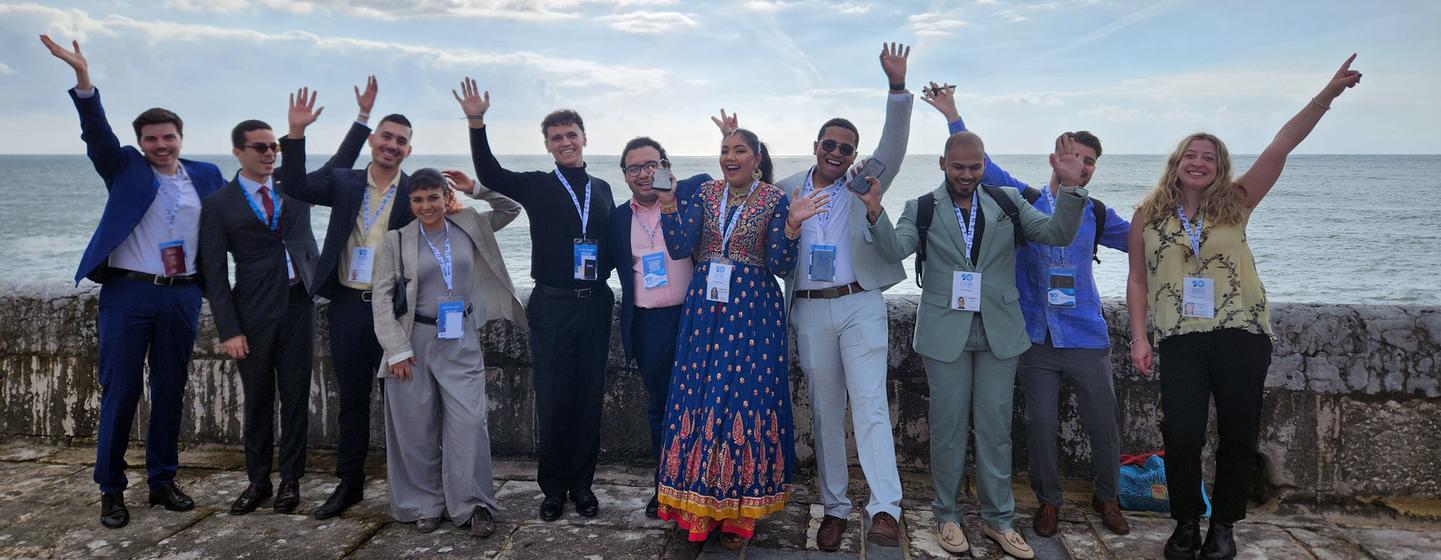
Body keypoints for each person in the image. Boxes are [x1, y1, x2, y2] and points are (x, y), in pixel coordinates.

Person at [1128, 55, 1362, 560]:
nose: (1199, 161)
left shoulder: (1237, 201)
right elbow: (1138, 280)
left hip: (1241, 334)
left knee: (1238, 434)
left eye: (1209, 157)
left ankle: (1224, 527)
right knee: (1183, 434)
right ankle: (1186, 522)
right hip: (1180, 339)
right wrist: (1139, 337)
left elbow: (1282, 143)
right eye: (1191, 154)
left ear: (1219, 167)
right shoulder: (1148, 214)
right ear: (1177, 161)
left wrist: (1327, 95)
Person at [922, 82, 1133, 538]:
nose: (1079, 165)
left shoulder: (1095, 213)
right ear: (1055, 158)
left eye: (1088, 161)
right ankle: (1048, 502)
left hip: (1085, 334)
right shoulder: (1024, 201)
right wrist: (952, 115)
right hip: (1033, 335)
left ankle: (1108, 495)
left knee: (1104, 422)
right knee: (1039, 425)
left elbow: (1144, 242)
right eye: (1072, 156)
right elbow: (981, 166)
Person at [868, 131, 1090, 559]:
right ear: (942, 164)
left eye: (974, 166)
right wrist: (875, 209)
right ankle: (946, 515)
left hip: (999, 330)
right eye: (958, 167)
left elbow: (1057, 234)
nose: (967, 175)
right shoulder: (923, 207)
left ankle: (999, 521)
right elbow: (894, 248)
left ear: (984, 163)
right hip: (944, 331)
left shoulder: (1008, 202)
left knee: (995, 430)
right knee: (947, 429)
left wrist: (1070, 187)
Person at [41, 35, 224, 529]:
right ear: (140, 142)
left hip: (183, 293)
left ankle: (163, 481)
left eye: (168, 137)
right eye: (152, 139)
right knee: (121, 389)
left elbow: (235, 224)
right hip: (129, 292)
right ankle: (111, 488)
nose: (160, 146)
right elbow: (95, 131)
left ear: (180, 138)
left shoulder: (207, 176)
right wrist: (83, 78)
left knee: (170, 389)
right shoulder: (124, 166)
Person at [652, 123, 826, 549]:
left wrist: (792, 225)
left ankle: (740, 513)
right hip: (705, 314)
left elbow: (782, 265)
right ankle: (699, 506)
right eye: (725, 149)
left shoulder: (773, 199)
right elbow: (678, 246)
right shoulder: (707, 193)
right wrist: (670, 204)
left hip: (753, 315)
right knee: (702, 396)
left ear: (757, 158)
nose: (731, 157)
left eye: (740, 150)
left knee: (745, 398)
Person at [769, 42, 913, 550]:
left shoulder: (864, 180)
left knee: (871, 405)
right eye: (829, 145)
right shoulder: (785, 189)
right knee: (825, 410)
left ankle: (885, 509)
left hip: (860, 304)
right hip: (808, 308)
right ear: (816, 146)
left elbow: (893, 146)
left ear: (853, 155)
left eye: (845, 148)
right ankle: (834, 507)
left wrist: (897, 88)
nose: (836, 153)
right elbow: (741, 194)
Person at [455, 78, 615, 521]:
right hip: (552, 303)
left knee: (589, 398)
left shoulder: (601, 189)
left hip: (596, 303)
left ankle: (583, 486)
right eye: (556, 137)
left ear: (584, 139)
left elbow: (616, 244)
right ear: (547, 145)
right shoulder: (537, 185)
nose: (565, 142)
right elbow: (490, 174)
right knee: (552, 398)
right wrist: (476, 123)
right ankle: (552, 488)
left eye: (571, 135)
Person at [275, 76, 410, 520]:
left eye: (401, 141)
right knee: (352, 399)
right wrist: (296, 134)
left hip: (398, 310)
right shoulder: (344, 183)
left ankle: (410, 485)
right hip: (350, 305)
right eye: (386, 137)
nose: (392, 145)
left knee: (404, 402)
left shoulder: (413, 191)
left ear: (408, 150)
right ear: (373, 140)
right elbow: (293, 184)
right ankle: (349, 484)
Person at [370, 168, 526, 538]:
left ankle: (473, 505)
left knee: (470, 425)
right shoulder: (397, 240)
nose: (426, 206)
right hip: (413, 342)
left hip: (460, 338)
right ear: (410, 202)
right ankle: (424, 503)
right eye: (418, 199)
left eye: (433, 197)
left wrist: (478, 188)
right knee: (415, 429)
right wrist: (395, 350)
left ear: (445, 196)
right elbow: (380, 299)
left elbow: (512, 209)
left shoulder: (469, 224)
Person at [198, 108, 321, 516]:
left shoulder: (293, 189)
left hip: (298, 306)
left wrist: (306, 131)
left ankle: (291, 480)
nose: (270, 154)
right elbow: (214, 275)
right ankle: (257, 481)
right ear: (238, 152)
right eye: (261, 147)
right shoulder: (219, 204)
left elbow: (335, 164)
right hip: (251, 313)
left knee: (296, 396)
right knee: (257, 401)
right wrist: (229, 329)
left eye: (275, 147)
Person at [605, 137, 711, 518]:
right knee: (661, 410)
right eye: (634, 168)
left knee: (700, 407)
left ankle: (701, 486)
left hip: (693, 318)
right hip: (648, 325)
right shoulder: (617, 218)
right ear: (625, 176)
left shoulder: (687, 199)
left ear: (665, 166)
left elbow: (709, 176)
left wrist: (671, 184)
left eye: (651, 165)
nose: (644, 173)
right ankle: (665, 486)